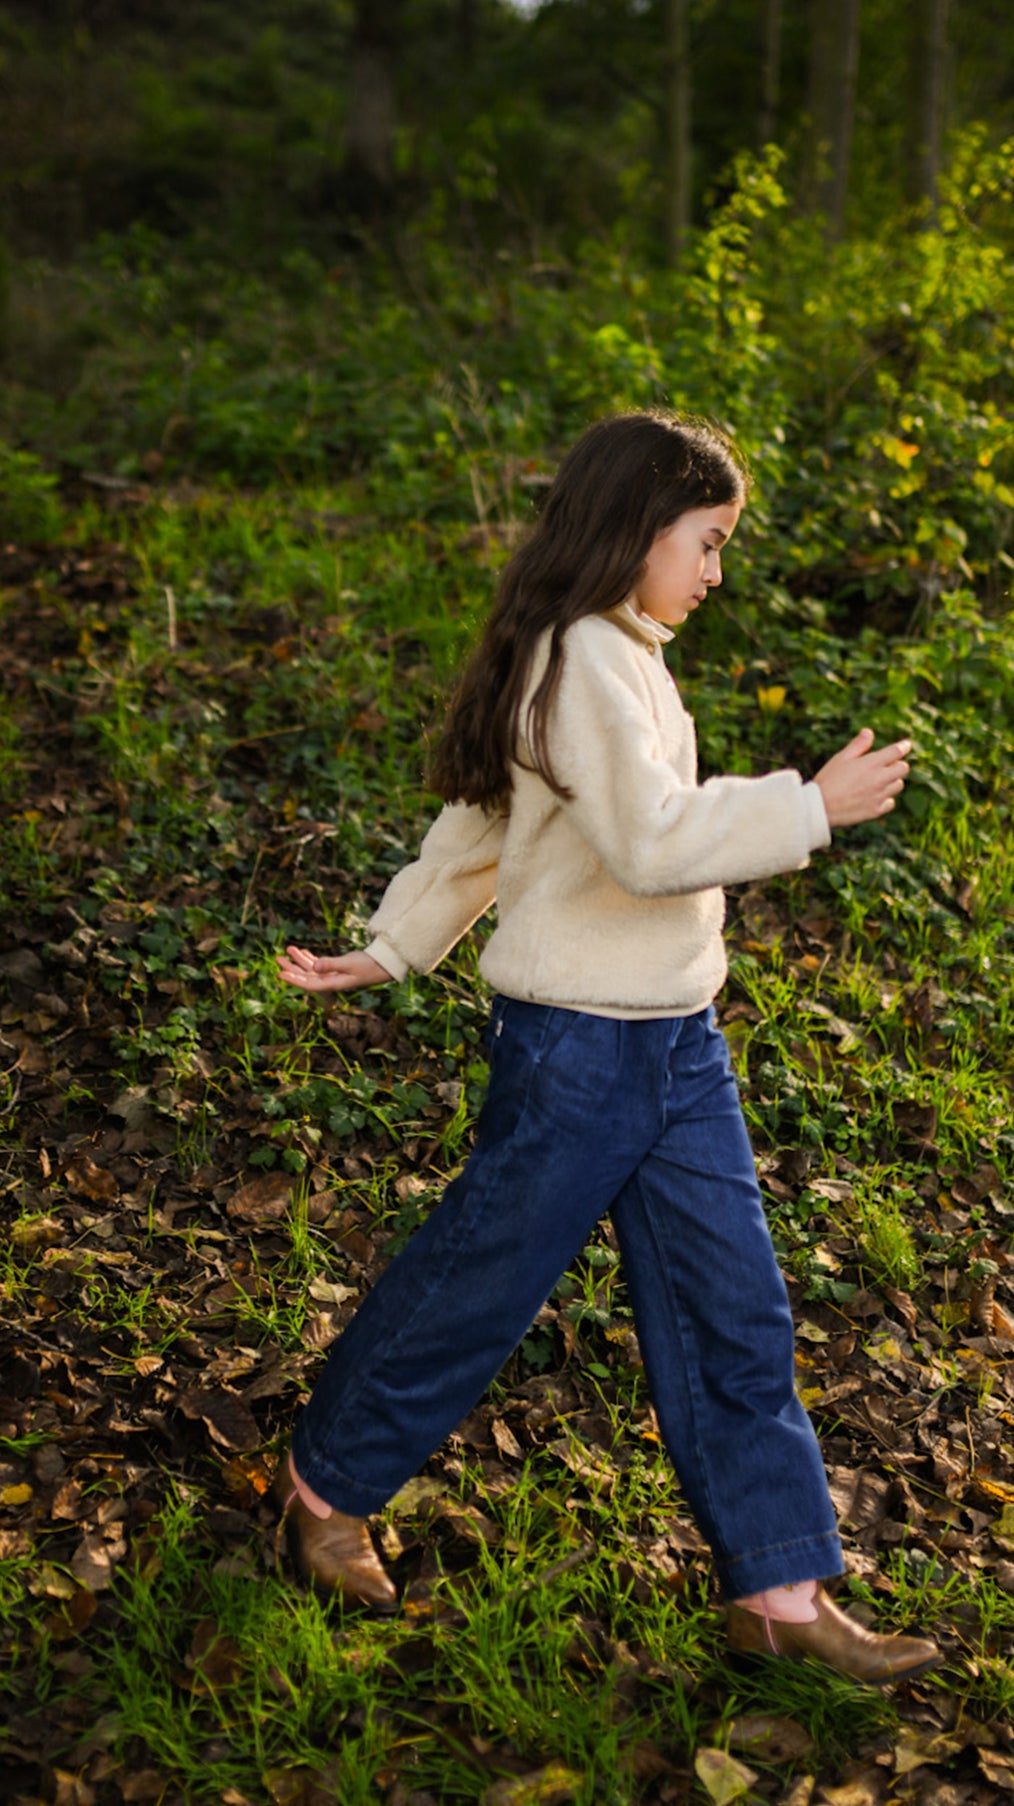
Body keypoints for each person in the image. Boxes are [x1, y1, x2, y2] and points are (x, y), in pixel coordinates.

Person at [273, 410, 940, 1684]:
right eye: (705, 542)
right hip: (578, 1050)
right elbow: (639, 843)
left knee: (732, 1313)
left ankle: (778, 1593)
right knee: (478, 1284)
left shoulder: (619, 651)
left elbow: (490, 821)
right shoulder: (580, 654)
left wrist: (394, 943)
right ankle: (325, 1487)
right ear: (635, 529)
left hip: (676, 1045)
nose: (714, 571)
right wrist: (807, 806)